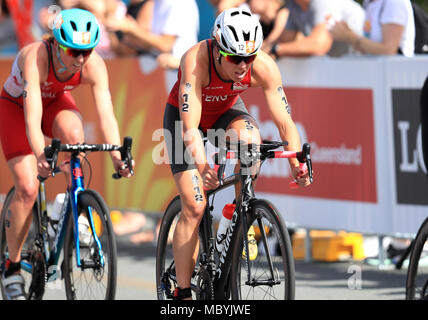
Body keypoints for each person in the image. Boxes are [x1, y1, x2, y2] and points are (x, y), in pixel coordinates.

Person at [163, 8, 312, 300]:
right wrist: (203, 164)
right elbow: (191, 129)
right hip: (184, 121)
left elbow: (285, 122)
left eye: (249, 57)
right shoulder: (196, 61)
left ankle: (237, 215)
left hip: (224, 113)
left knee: (251, 144)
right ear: (218, 49)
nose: (243, 65)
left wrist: (296, 159)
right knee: (194, 206)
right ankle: (181, 293)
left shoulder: (263, 66)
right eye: (235, 58)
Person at [0, 8, 133, 300]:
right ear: (57, 43)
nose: (81, 58)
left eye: (87, 50)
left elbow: (106, 113)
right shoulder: (36, 57)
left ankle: (68, 204)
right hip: (17, 108)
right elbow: (33, 117)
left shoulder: (93, 64)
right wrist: (40, 155)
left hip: (55, 102)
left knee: (75, 136)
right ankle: (11, 268)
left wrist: (116, 154)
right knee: (28, 187)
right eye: (74, 51)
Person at [106, 0, 199, 69]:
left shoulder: (178, 3)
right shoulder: (155, 3)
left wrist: (132, 29)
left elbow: (165, 45)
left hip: (177, 74)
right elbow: (149, 44)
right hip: (159, 73)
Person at [270, 0, 364, 58]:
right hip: (341, 65)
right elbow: (286, 41)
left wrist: (276, 49)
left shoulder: (323, 2)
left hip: (365, 60)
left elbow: (319, 45)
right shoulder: (293, 4)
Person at [329, 0, 415, 57]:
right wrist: (346, 34)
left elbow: (389, 50)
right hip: (376, 74)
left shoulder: (393, 2)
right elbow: (367, 48)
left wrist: (350, 37)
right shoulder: (369, 2)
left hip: (395, 76)